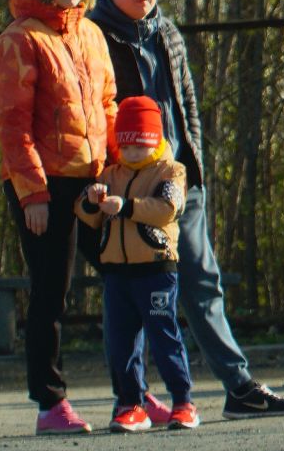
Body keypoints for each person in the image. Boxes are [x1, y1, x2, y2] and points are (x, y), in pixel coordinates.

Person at [90, 0, 284, 420]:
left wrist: (192, 169)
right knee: (130, 296)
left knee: (202, 282)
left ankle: (239, 386)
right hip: (124, 194)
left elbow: (187, 103)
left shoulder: (167, 31)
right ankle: (134, 398)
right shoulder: (93, 37)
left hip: (178, 185)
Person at [0, 0, 117, 434]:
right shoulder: (20, 39)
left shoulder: (90, 34)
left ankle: (132, 390)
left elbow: (107, 104)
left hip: (92, 182)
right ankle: (50, 403)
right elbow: (12, 125)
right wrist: (34, 195)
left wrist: (111, 172)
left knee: (125, 273)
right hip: (45, 184)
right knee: (52, 292)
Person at [76, 96, 198, 432]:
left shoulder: (171, 170)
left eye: (139, 146)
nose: (131, 154)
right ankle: (131, 403)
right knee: (121, 342)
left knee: (163, 337)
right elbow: (88, 219)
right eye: (126, 147)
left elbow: (167, 209)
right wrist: (91, 202)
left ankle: (183, 402)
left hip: (156, 270)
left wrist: (127, 207)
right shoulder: (111, 174)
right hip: (117, 272)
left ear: (155, 141)